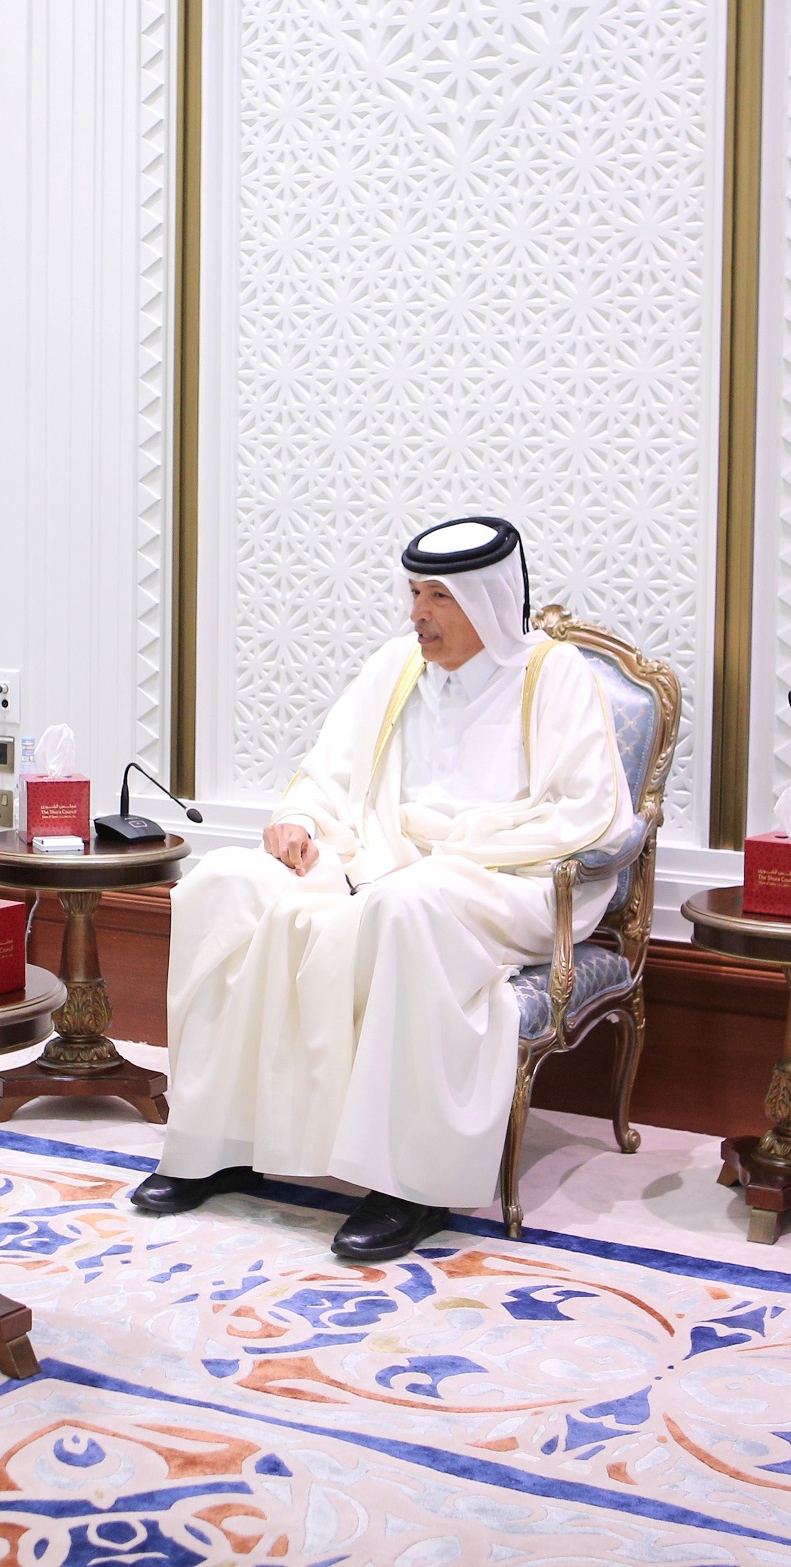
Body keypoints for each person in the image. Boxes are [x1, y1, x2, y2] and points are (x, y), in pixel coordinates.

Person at [133, 517, 629, 1262]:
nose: (416, 613)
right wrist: (301, 820)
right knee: (223, 882)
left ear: (489, 601)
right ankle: (217, 1145)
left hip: (501, 880)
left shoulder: (554, 676)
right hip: (372, 855)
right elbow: (329, 771)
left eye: (438, 597)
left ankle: (409, 1186)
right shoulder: (396, 667)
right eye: (414, 592)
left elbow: (586, 814)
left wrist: (448, 848)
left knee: (406, 904)